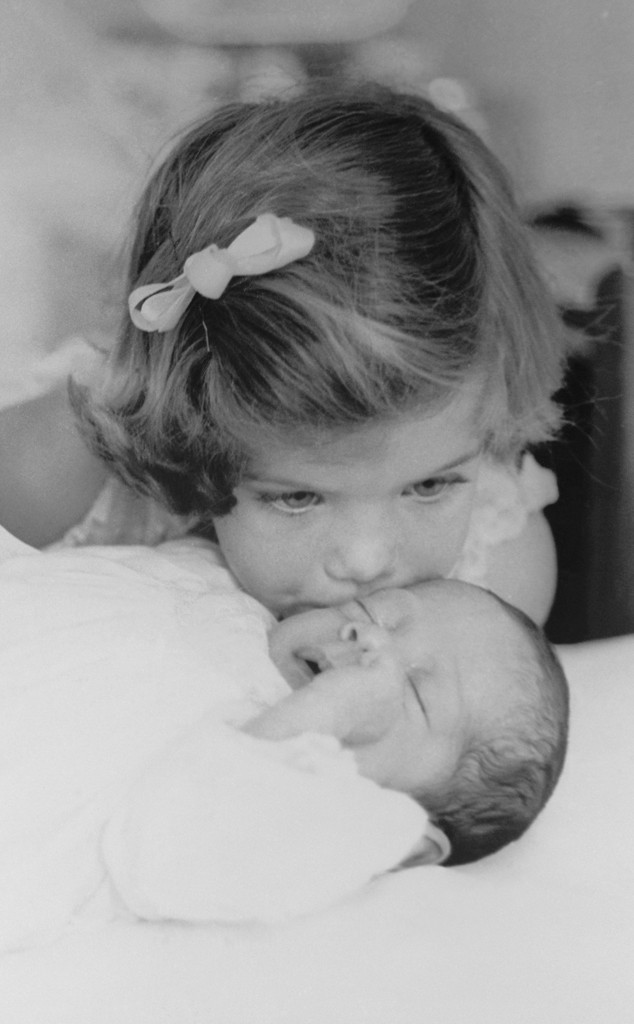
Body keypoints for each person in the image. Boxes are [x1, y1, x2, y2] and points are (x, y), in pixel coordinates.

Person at [62, 82, 565, 628]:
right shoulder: (67, 476)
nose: (366, 562)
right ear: (189, 426)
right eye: (297, 498)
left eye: (429, 486)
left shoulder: (497, 569)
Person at [253, 576, 569, 867]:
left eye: (415, 692)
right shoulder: (228, 602)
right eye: (375, 613)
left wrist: (328, 705)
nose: (372, 640)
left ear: (399, 839)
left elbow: (230, 787)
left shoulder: (287, 848)